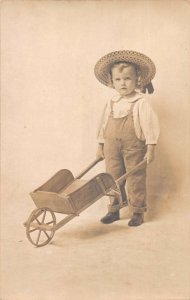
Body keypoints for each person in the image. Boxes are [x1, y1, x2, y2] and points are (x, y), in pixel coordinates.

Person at [94, 50, 160, 226]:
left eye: (127, 79)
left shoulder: (140, 102)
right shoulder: (112, 102)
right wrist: (100, 146)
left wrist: (151, 148)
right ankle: (114, 210)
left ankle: (137, 211)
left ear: (137, 80)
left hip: (134, 148)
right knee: (112, 178)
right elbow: (103, 125)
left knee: (135, 178)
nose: (122, 83)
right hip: (111, 147)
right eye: (118, 79)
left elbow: (150, 127)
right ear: (112, 81)